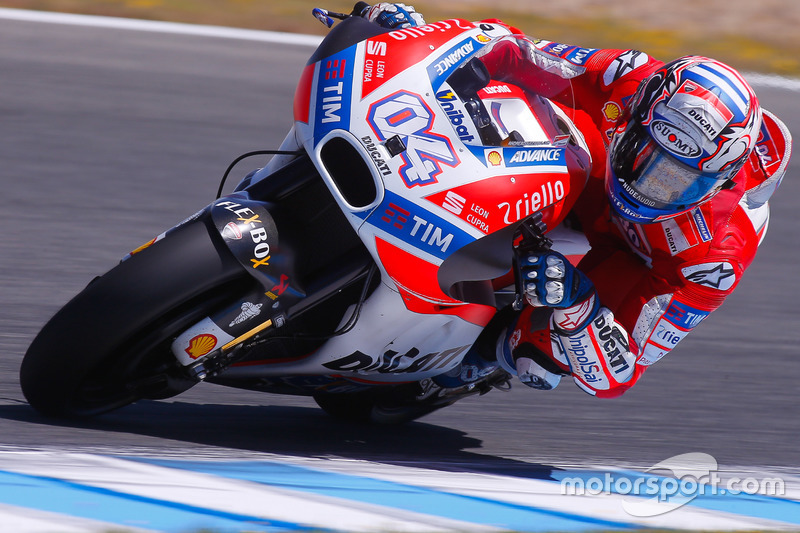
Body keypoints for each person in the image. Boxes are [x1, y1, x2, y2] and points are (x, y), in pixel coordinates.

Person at [360, 3, 792, 397]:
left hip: (631, 258)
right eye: (648, 157)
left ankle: (480, 360)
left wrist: (576, 303)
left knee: (545, 358)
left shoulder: (713, 259)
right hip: (592, 175)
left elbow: (620, 374)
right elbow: (520, 53)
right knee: (506, 99)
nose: (652, 187)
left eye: (680, 181)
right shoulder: (631, 76)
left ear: (719, 180)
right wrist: (421, 41)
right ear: (637, 117)